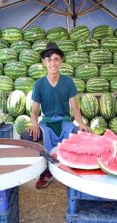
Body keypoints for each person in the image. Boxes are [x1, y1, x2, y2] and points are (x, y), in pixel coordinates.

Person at [21, 42, 91, 189]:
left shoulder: (68, 82)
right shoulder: (39, 84)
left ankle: (72, 165)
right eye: (49, 59)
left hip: (65, 122)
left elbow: (75, 108)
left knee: (84, 135)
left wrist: (82, 124)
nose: (53, 63)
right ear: (44, 62)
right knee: (27, 136)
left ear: (61, 61)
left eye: (56, 59)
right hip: (46, 123)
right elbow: (34, 111)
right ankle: (46, 169)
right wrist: (34, 124)